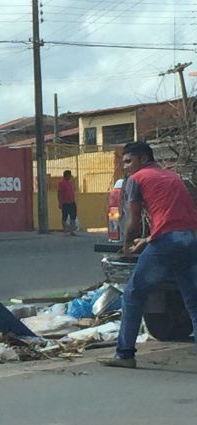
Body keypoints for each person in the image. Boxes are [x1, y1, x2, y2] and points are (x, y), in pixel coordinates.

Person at [98, 141, 197, 368]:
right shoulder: (172, 177)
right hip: (189, 239)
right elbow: (176, 218)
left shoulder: (137, 179)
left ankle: (125, 355)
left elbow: (132, 219)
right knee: (192, 298)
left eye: (128, 161)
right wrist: (148, 239)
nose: (125, 167)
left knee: (133, 294)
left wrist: (127, 244)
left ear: (143, 159)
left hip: (167, 242)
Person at [57, 170, 77, 235]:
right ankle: (65, 229)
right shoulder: (61, 183)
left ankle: (71, 230)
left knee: (73, 215)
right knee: (64, 216)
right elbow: (59, 193)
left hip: (72, 201)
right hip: (65, 202)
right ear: (67, 175)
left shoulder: (70, 182)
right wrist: (60, 202)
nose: (70, 176)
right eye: (69, 175)